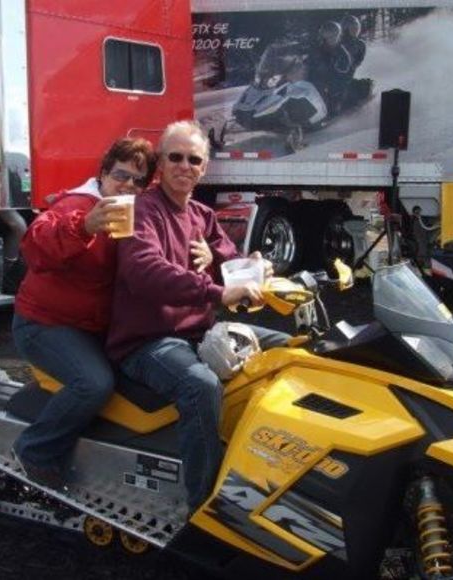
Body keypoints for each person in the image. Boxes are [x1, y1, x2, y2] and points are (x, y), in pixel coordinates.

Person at [106, 120, 289, 511]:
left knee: (290, 351)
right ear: (160, 163)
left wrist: (255, 266)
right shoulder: (140, 211)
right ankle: (205, 509)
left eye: (194, 159)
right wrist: (217, 290)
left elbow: (230, 261)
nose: (184, 166)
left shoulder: (203, 215)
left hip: (198, 332)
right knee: (200, 386)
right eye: (175, 157)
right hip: (147, 341)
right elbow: (143, 271)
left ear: (204, 168)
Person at [12, 137, 157, 487]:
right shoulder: (78, 204)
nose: (128, 185)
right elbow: (33, 247)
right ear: (103, 174)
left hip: (89, 327)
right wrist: (84, 226)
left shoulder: (137, 215)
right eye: (121, 175)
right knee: (94, 384)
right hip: (43, 323)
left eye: (138, 181)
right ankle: (35, 450)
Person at [306, 21, 352, 116]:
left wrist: (334, 65)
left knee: (330, 93)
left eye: (333, 36)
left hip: (334, 81)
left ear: (337, 36)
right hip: (317, 78)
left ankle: (331, 112)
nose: (330, 39)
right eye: (327, 37)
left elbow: (345, 67)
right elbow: (309, 60)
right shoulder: (319, 49)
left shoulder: (341, 52)